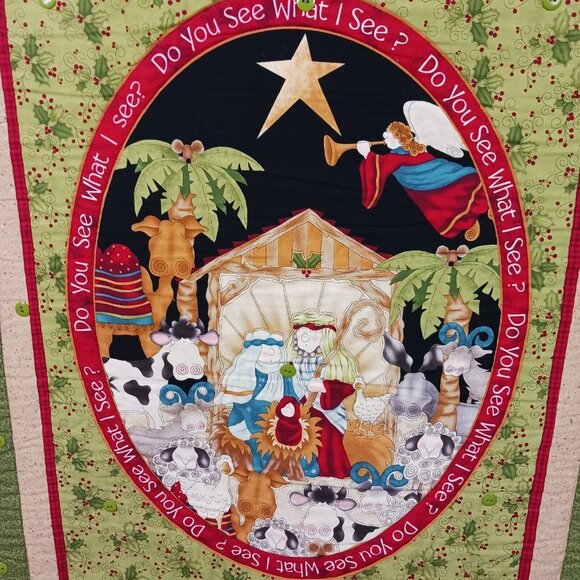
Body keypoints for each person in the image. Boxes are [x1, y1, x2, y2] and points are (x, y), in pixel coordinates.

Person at [356, 121, 488, 239]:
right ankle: (468, 218)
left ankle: (472, 214)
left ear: (399, 139)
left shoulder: (400, 155)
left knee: (453, 198)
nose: (384, 138)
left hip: (438, 178)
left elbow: (380, 165)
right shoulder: (399, 153)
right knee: (446, 204)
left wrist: (367, 153)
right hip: (428, 188)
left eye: (388, 135)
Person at [288, 309, 359, 479]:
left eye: (311, 335)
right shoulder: (293, 362)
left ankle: (330, 471)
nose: (305, 339)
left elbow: (345, 386)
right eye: (302, 335)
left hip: (327, 412)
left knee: (327, 440)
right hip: (301, 409)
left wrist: (324, 386)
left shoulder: (332, 362)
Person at [216, 330, 299, 472]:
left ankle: (287, 467)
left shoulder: (283, 373)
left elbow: (291, 395)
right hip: (245, 420)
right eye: (266, 351)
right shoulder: (249, 372)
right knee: (261, 438)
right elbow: (243, 404)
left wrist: (291, 407)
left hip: (278, 418)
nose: (271, 354)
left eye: (274, 351)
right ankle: (262, 467)